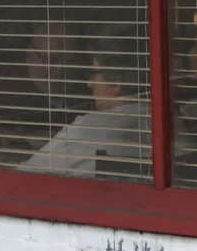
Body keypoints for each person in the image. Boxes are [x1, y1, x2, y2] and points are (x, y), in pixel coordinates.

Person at [22, 30, 149, 179]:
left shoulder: (85, 131)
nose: (89, 84)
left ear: (115, 82)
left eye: (94, 74)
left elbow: (25, 177)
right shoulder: (169, 124)